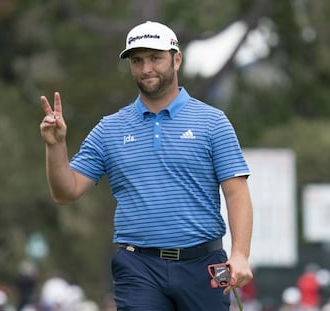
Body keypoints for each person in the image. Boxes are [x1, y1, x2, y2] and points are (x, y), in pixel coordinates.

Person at [39, 21, 253, 310]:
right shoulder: (109, 129)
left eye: (155, 58)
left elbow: (236, 193)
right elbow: (67, 192)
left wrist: (239, 254)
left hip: (206, 263)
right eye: (137, 61)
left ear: (176, 59)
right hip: (138, 265)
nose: (146, 68)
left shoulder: (213, 123)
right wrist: (55, 146)